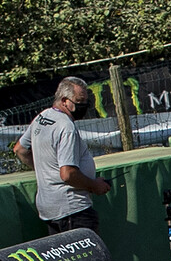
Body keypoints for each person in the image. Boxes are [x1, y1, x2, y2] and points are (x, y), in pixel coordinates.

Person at [13, 78, 111, 236]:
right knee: (88, 252)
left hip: (50, 208)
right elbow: (68, 174)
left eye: (86, 101)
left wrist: (47, 172)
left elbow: (20, 150)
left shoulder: (43, 117)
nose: (84, 105)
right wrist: (94, 185)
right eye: (80, 101)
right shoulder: (66, 127)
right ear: (65, 101)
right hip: (73, 210)